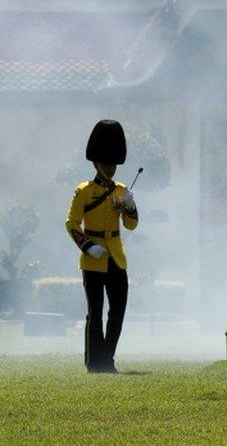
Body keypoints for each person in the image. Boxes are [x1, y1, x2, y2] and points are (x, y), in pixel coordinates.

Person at [65, 120, 139, 373]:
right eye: (107, 163)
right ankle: (93, 362)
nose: (111, 168)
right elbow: (72, 223)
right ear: (96, 163)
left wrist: (129, 206)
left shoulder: (122, 190)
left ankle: (107, 360)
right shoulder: (83, 191)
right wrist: (87, 246)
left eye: (114, 164)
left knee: (117, 312)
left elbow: (131, 225)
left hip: (117, 258)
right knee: (94, 314)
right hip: (93, 259)